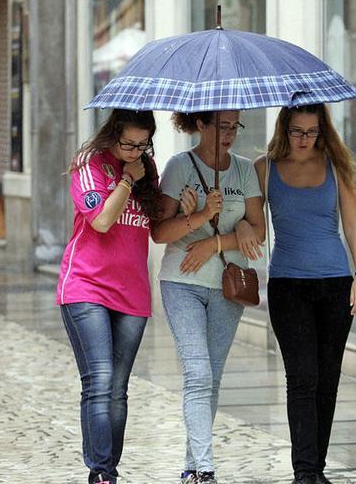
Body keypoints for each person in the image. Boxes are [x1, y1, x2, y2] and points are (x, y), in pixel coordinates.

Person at [254, 104, 356, 484]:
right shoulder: (264, 169)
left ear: (322, 131)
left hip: (336, 284)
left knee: (327, 378)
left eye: (312, 132)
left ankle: (316, 469)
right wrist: (237, 226)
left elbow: (353, 224)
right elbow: (252, 223)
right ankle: (305, 472)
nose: (304, 140)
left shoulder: (336, 165)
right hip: (288, 285)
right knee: (302, 376)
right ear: (283, 128)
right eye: (297, 131)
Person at [151, 110, 265, 484]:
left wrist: (216, 241)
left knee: (211, 378)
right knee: (198, 372)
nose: (230, 134)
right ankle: (206, 467)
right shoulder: (179, 166)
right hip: (181, 282)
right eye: (222, 126)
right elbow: (160, 233)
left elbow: (258, 232)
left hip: (227, 284)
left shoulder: (245, 169)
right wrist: (202, 215)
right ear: (201, 125)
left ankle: (192, 467)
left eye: (235, 126)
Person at [56, 109, 162, 484]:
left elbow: (156, 230)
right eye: (128, 143)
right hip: (86, 286)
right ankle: (102, 474)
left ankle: (109, 468)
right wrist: (126, 183)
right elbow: (101, 221)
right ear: (112, 134)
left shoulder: (147, 169)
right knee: (99, 381)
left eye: (143, 144)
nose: (135, 151)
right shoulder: (89, 162)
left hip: (132, 293)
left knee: (118, 389)